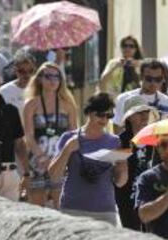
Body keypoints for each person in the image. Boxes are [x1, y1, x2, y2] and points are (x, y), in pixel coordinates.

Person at [48, 93, 128, 225]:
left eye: (109, 116)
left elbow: (120, 182)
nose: (104, 119)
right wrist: (67, 150)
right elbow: (53, 176)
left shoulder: (115, 142)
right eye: (100, 114)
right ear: (89, 112)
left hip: (105, 212)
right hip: (72, 210)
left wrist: (123, 166)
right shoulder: (68, 138)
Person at [24, 62, 77, 208]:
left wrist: (63, 158)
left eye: (57, 76)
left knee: (61, 207)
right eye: (48, 76)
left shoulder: (68, 105)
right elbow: (28, 136)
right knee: (37, 210)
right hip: (38, 162)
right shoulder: (31, 104)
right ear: (40, 79)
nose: (53, 80)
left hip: (61, 160)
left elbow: (73, 135)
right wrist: (42, 157)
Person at [115, 95, 158, 230]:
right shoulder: (119, 142)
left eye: (146, 112)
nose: (144, 116)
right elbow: (118, 180)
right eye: (139, 113)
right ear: (129, 117)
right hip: (127, 203)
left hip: (152, 203)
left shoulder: (156, 140)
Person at [0, 69, 30, 201]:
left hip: (10, 174)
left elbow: (19, 143)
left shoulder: (11, 110)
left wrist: (26, 173)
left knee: (11, 219)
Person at [112, 59, 168, 134]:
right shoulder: (124, 99)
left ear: (163, 79)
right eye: (149, 79)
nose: (153, 83)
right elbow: (117, 128)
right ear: (141, 77)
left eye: (158, 79)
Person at [0, 51, 36, 116]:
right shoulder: (3, 91)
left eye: (31, 71)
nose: (27, 75)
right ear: (15, 70)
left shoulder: (40, 89)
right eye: (22, 71)